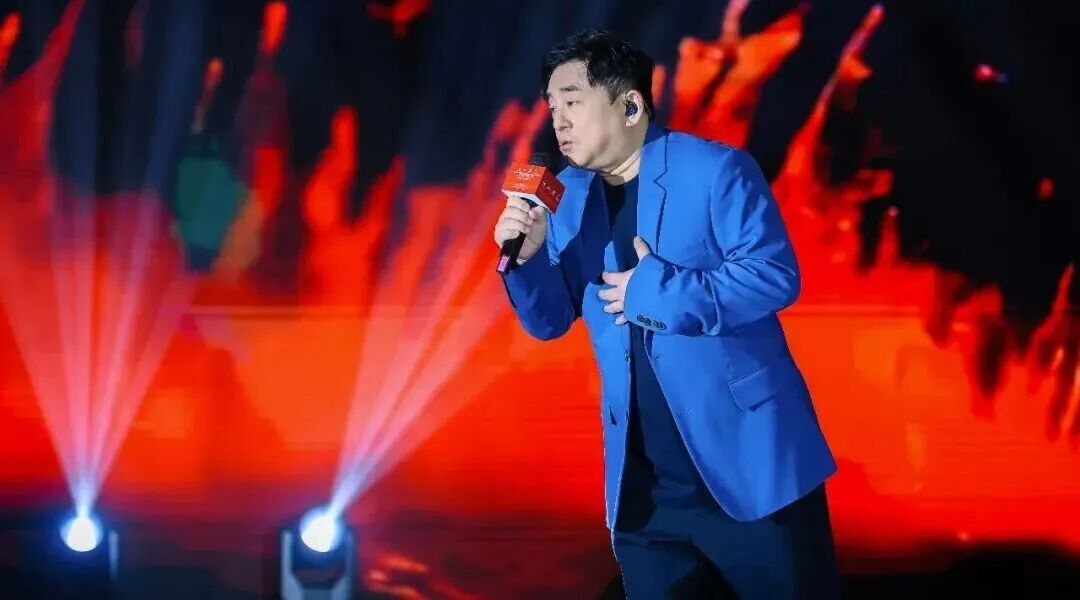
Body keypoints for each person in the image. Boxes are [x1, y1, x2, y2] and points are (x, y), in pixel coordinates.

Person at [494, 29, 841, 598]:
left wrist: (662, 294)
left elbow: (773, 276)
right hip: (644, 496)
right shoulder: (567, 197)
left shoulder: (717, 170)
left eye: (573, 101)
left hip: (752, 472)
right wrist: (527, 260)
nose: (558, 120)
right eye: (552, 106)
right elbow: (549, 321)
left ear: (630, 105)